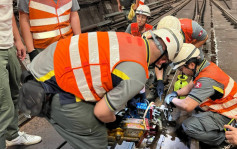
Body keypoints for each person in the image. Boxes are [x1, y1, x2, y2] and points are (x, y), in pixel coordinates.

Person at [19, 29, 183, 148]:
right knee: (96, 134)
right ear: (163, 61)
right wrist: (113, 121)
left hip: (39, 68)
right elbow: (101, 112)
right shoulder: (138, 72)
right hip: (49, 89)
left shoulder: (126, 38)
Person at [165, 43, 237, 146]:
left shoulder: (206, 79)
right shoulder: (204, 67)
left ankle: (225, 139)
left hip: (229, 113)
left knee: (188, 126)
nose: (182, 73)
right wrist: (175, 93)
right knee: (197, 105)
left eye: (181, 69)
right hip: (225, 104)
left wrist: (171, 100)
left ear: (191, 65)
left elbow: (187, 106)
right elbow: (190, 87)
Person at [0, 0, 42, 148]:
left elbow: (8, 11)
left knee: (15, 93)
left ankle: (12, 136)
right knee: (3, 105)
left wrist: (17, 40)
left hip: (8, 44)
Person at [148, 15, 209, 101]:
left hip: (188, 46)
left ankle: (199, 88)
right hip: (171, 48)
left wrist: (190, 49)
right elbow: (159, 62)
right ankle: (156, 87)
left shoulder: (191, 27)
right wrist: (160, 80)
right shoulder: (158, 33)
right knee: (163, 58)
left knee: (199, 64)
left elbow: (204, 37)